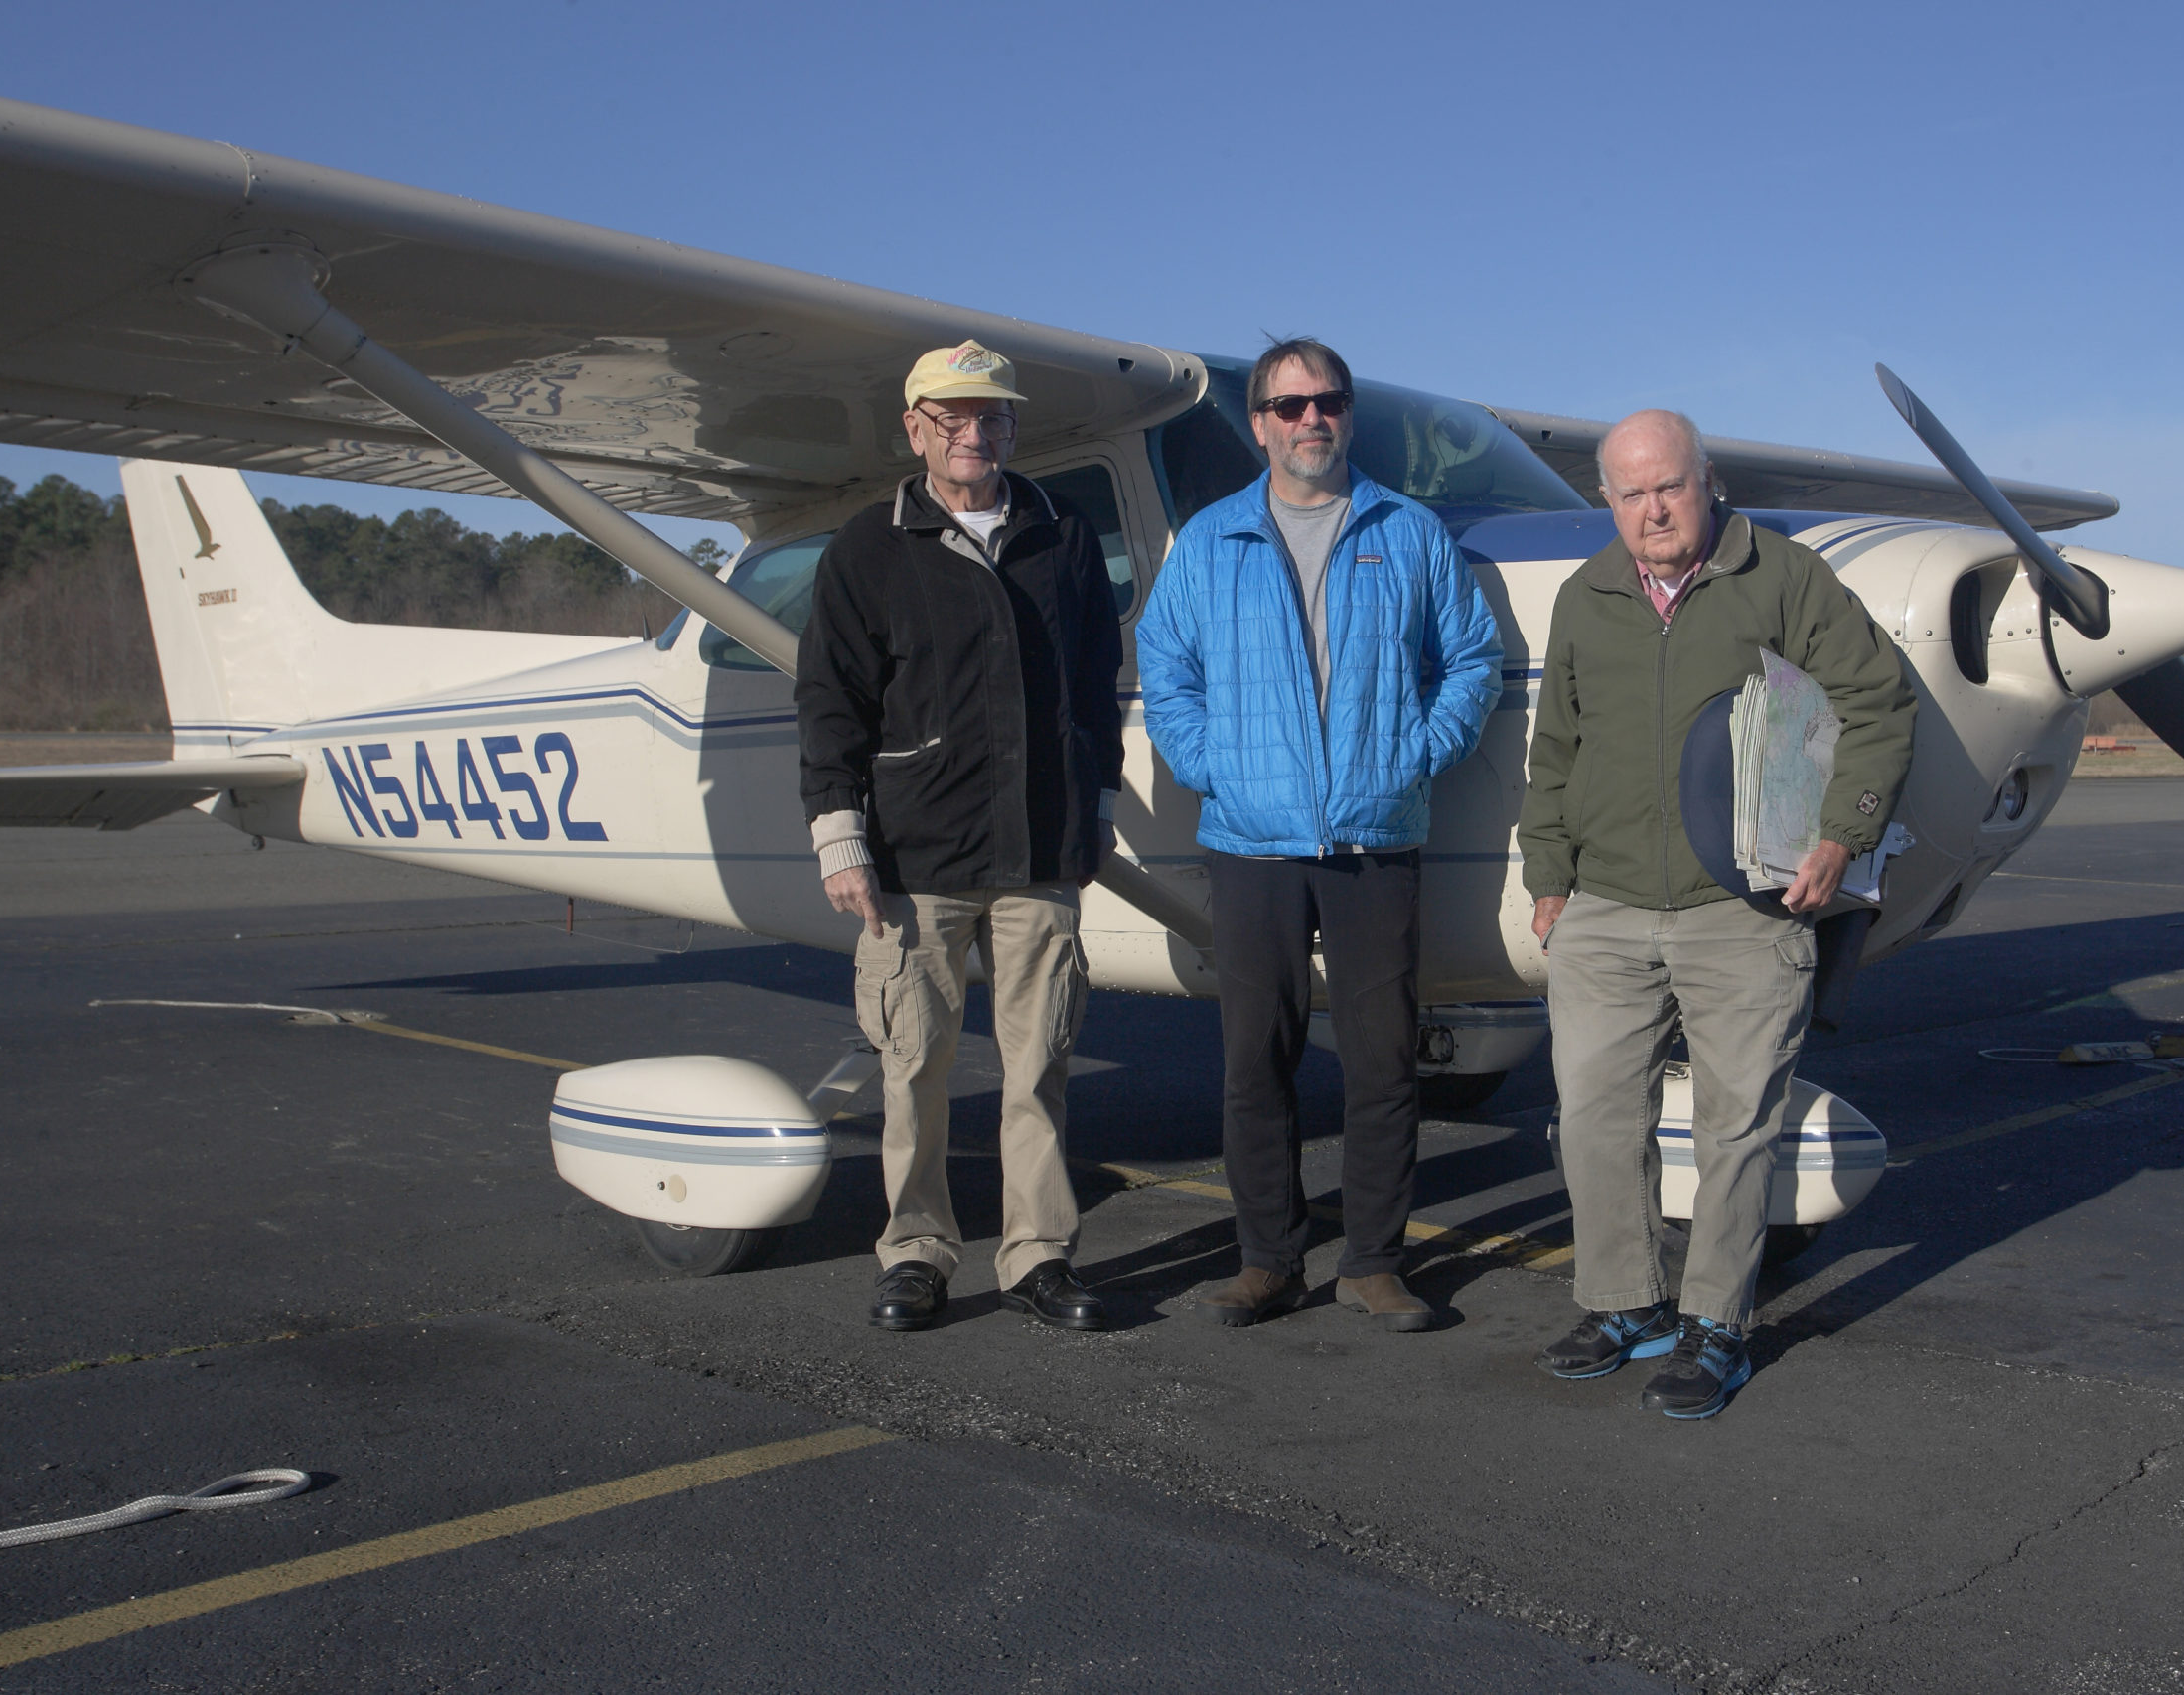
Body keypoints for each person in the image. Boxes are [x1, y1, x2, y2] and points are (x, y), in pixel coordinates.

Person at [1520, 408, 1915, 1417]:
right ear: (1607, 500)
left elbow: (1877, 701)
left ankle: (1717, 1327)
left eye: (1669, 486)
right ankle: (1624, 1304)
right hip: (1605, 906)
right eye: (1631, 493)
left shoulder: (1782, 577)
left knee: (1736, 1128)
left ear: (1707, 483)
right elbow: (1556, 745)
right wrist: (1549, 873)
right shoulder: (1586, 594)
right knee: (1595, 1119)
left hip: (1740, 906)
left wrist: (1843, 834)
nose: (1652, 509)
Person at [1135, 338, 1503, 1331]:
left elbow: (1470, 658)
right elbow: (1164, 664)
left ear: (1347, 414)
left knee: (1382, 1064)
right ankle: (1268, 1260)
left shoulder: (1408, 531)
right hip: (1249, 842)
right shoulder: (1209, 541)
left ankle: (1373, 1264)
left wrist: (1414, 753)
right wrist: (1212, 764)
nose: (1312, 420)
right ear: (1259, 423)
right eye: (1290, 405)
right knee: (1257, 1062)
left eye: (1328, 401)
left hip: (1375, 837)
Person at [796, 340, 1124, 1333]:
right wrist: (840, 835)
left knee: (1038, 1068)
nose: (975, 433)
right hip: (916, 856)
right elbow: (830, 699)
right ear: (915, 429)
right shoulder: (868, 547)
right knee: (914, 1068)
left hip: (1039, 851)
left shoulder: (1063, 535)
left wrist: (1097, 807)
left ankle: (1037, 1255)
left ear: (1013, 428)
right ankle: (917, 1252)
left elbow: (1094, 686)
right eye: (953, 417)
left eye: (993, 416)